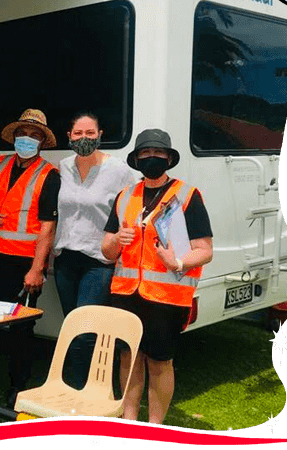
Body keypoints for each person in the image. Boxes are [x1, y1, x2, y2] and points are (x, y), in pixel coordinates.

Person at [101, 129, 213, 425]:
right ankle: (128, 420)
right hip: (126, 293)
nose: (152, 158)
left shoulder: (187, 195)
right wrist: (116, 241)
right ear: (137, 160)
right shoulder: (125, 196)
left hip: (167, 296)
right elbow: (106, 250)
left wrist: (176, 261)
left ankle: (154, 426)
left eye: (158, 154)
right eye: (145, 154)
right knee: (128, 357)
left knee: (160, 362)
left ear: (168, 158)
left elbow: (205, 250)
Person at [0, 108, 61, 406]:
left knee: (20, 328)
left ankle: (17, 388)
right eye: (22, 134)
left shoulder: (49, 176)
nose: (27, 139)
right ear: (14, 137)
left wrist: (37, 269)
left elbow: (48, 228)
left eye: (34, 136)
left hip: (24, 266)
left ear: (42, 142)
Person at [53, 113, 134, 389]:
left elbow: (133, 204)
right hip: (66, 260)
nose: (84, 138)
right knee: (72, 327)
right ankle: (88, 390)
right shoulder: (63, 167)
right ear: (69, 136)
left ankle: (82, 392)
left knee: (85, 332)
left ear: (100, 134)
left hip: (98, 261)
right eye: (78, 133)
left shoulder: (119, 171)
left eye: (90, 133)